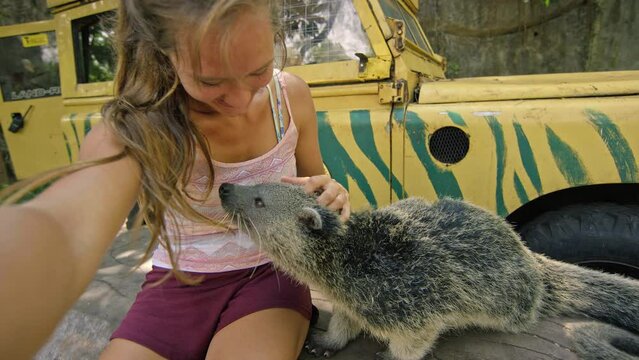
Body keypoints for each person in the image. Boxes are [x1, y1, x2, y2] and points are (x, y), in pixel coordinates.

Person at [0, 1, 350, 359]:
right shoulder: (139, 127)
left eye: (259, 70)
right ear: (163, 52)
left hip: (271, 277)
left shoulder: (290, 98)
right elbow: (65, 229)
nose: (242, 100)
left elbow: (314, 184)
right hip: (176, 283)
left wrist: (331, 197)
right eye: (210, 81)